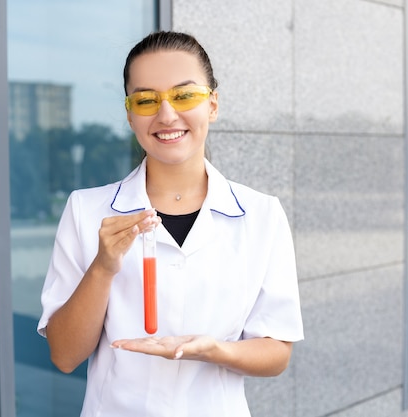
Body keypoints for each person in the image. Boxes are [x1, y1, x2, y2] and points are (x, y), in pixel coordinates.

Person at [38, 30, 303, 417]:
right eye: (146, 100)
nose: (166, 115)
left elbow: (277, 353)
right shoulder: (86, 210)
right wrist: (103, 267)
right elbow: (64, 355)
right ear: (130, 114)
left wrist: (215, 350)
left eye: (184, 95)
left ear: (212, 104)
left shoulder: (261, 215)